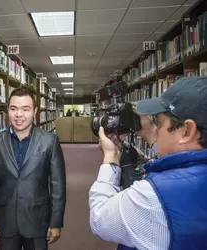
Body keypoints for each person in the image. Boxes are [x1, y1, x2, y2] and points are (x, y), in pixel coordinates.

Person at [89, 76, 207, 250]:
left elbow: (99, 219)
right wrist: (151, 135)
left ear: (187, 131)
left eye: (159, 123)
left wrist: (110, 157)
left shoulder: (155, 197)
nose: (156, 129)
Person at [0, 86, 66, 250]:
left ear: (35, 111)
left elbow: (58, 186)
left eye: (25, 109)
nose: (19, 115)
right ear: (8, 111)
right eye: (14, 109)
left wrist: (56, 221)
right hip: (4, 221)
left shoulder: (50, 141)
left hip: (38, 220)